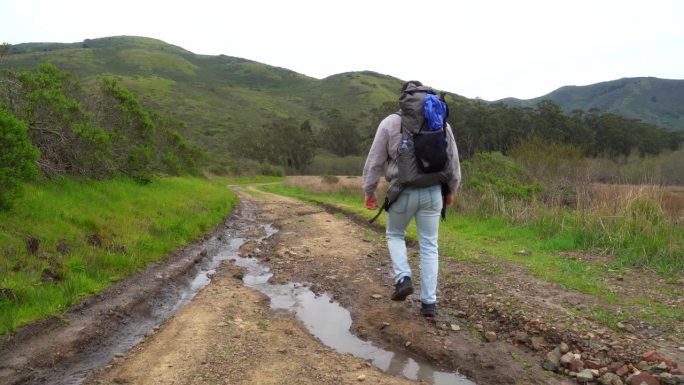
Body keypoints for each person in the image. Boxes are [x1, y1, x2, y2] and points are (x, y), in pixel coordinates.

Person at [362, 81, 461, 317]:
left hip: (402, 191)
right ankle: (429, 303)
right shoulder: (441, 122)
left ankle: (403, 277)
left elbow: (375, 161)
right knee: (429, 245)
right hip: (433, 192)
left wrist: (369, 191)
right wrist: (451, 191)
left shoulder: (390, 123)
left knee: (395, 234)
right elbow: (453, 160)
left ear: (404, 99)